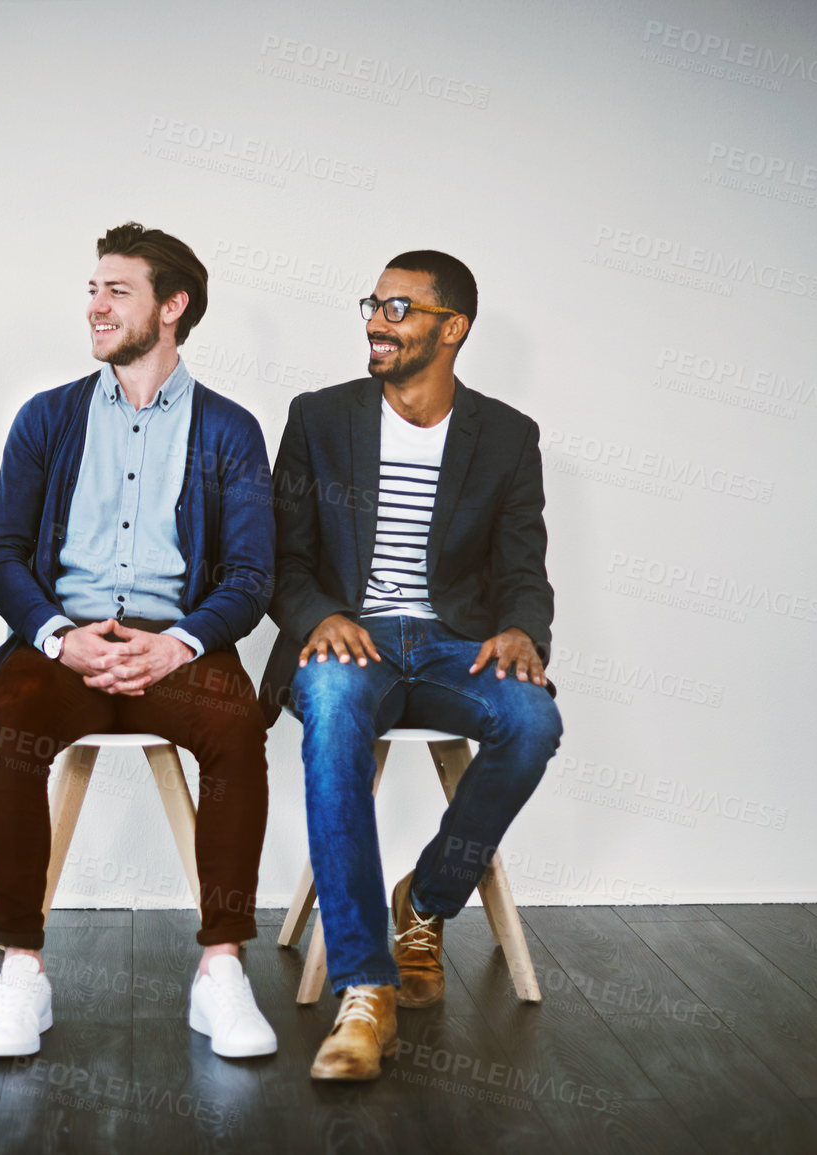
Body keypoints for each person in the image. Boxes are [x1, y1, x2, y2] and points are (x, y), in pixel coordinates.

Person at [0, 222, 277, 1060]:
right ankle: (21, 970)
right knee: (16, 718)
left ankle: (220, 969)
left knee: (235, 723)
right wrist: (58, 635)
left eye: (117, 290)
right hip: (62, 643)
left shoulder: (230, 429)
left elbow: (252, 574)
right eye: (93, 289)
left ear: (171, 307)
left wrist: (179, 643)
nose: (95, 306)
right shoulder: (46, 417)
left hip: (175, 643)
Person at [263, 250, 563, 1080]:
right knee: (328, 707)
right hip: (347, 638)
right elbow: (280, 558)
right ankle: (365, 985)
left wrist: (518, 631)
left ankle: (425, 901)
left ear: (452, 327)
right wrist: (319, 616)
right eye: (372, 304)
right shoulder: (319, 417)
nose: (374, 321)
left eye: (398, 309)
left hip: (451, 644)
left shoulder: (504, 436)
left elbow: (522, 566)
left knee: (533, 721)